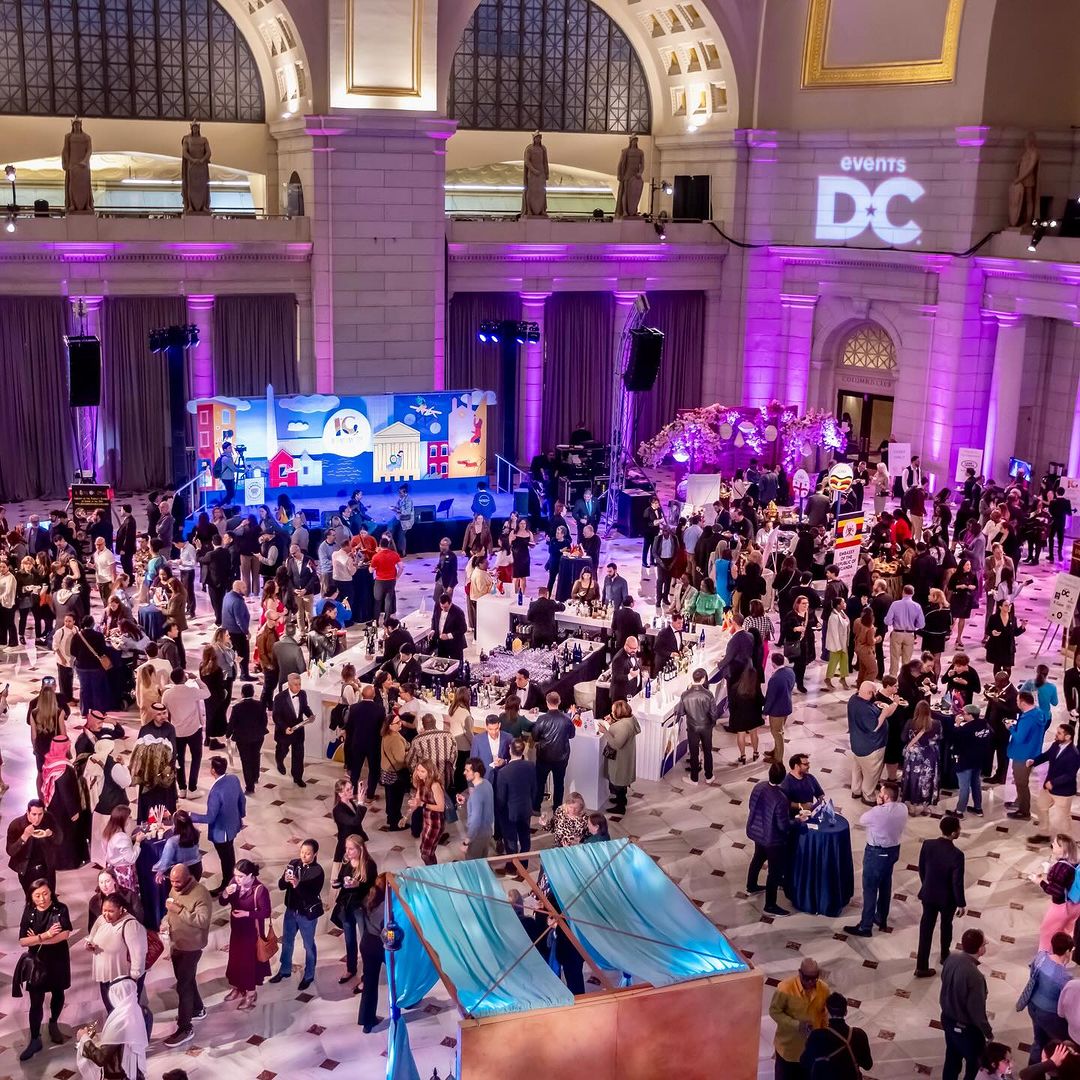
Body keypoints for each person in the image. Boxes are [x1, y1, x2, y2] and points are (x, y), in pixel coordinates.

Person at [16, 878, 72, 1060]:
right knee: (36, 1001)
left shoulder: (60, 909)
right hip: (37, 963)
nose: (42, 898)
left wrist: (37, 938)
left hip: (58, 960)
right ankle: (34, 1039)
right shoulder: (29, 912)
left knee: (58, 993)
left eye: (45, 893)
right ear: (31, 897)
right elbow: (23, 941)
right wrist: (46, 935)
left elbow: (64, 935)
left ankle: (53, 1023)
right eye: (37, 895)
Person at [160, 863, 211, 1047]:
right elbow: (170, 911)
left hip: (192, 947)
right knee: (187, 980)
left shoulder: (200, 894)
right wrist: (166, 921)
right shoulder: (175, 888)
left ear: (187, 877)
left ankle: (185, 1027)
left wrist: (179, 911)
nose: (173, 885)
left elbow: (203, 921)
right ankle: (197, 1009)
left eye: (177, 881)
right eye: (171, 881)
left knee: (183, 986)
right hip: (177, 944)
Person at [915, 814, 967, 977]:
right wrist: (961, 903)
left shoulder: (928, 845)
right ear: (953, 833)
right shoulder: (957, 855)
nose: (959, 831)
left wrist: (926, 885)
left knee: (925, 930)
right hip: (947, 899)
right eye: (958, 829)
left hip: (929, 894)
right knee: (946, 926)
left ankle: (921, 966)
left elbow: (922, 869)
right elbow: (956, 882)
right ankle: (945, 955)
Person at [218, 858, 272, 1010]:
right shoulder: (234, 883)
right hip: (237, 930)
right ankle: (238, 987)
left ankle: (250, 992)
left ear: (250, 875)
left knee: (249, 963)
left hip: (252, 933)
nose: (237, 879)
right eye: (236, 875)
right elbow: (222, 902)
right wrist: (225, 894)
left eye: (241, 876)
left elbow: (266, 912)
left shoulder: (260, 890)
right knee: (235, 960)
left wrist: (246, 914)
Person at [939, 928, 992, 1080]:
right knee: (975, 1064)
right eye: (984, 944)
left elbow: (944, 980)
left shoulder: (951, 958)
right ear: (980, 949)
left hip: (947, 1019)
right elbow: (977, 1011)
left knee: (952, 1057)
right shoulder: (975, 976)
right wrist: (988, 1033)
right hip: (966, 1028)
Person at [190, 756, 245, 894]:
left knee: (225, 858)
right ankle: (232, 878)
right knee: (230, 853)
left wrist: (191, 816)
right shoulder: (233, 779)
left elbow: (210, 818)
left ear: (213, 770)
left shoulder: (216, 792)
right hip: (233, 825)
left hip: (222, 832)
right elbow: (242, 799)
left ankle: (227, 883)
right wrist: (241, 816)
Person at [75, 976, 148, 1080]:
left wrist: (84, 1038)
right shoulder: (135, 1011)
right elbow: (122, 1042)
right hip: (135, 1074)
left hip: (120, 1075)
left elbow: (100, 1058)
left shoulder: (120, 1021)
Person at [84, 890, 146, 1009]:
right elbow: (91, 937)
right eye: (104, 910)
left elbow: (138, 952)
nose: (106, 914)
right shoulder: (101, 919)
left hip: (121, 978)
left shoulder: (130, 924)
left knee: (122, 1010)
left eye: (111, 911)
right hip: (104, 976)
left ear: (121, 909)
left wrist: (134, 977)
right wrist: (89, 945)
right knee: (110, 1009)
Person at [768, 958, 829, 1079]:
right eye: (807, 978)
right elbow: (774, 1011)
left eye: (814, 978)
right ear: (800, 973)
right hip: (789, 1049)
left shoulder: (824, 989)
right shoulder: (785, 988)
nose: (811, 982)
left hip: (811, 1049)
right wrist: (796, 1024)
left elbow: (824, 1014)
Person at [746, 761, 792, 917]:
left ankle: (751, 885)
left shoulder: (758, 786)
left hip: (756, 831)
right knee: (774, 872)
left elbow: (751, 805)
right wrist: (796, 822)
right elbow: (782, 826)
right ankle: (770, 905)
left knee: (758, 858)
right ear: (783, 777)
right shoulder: (781, 798)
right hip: (772, 840)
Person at [331, 835, 378, 988]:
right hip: (346, 906)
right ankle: (351, 968)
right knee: (349, 940)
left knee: (365, 942)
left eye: (351, 848)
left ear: (360, 848)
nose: (348, 851)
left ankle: (367, 974)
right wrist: (337, 883)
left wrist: (358, 885)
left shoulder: (369, 865)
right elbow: (341, 880)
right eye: (347, 848)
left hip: (360, 907)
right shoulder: (346, 863)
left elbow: (373, 887)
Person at [1023, 932, 1074, 1064]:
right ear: (1068, 952)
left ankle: (1033, 1071)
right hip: (1050, 1015)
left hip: (1032, 1006)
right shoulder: (1064, 978)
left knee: (1039, 1041)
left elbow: (1032, 977)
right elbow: (1065, 1004)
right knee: (1062, 1043)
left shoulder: (1040, 956)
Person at [799, 991, 873, 1080]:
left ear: (827, 1012)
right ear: (846, 1012)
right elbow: (868, 1065)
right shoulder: (859, 1034)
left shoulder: (817, 1036)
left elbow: (804, 1062)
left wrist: (810, 1040)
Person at [161, 667, 209, 797]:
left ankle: (182, 788)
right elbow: (207, 693)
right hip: (194, 729)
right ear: (184, 677)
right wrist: (197, 679)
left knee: (179, 759)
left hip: (177, 731)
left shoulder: (167, 694)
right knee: (196, 757)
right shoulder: (191, 691)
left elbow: (164, 710)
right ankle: (192, 788)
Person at [1029, 723, 1080, 844]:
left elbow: (1070, 775)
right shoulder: (1055, 745)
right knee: (1041, 807)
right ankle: (1044, 834)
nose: (1056, 735)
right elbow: (1047, 755)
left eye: (1059, 733)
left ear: (1068, 737)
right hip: (1048, 787)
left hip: (1063, 791)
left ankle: (1065, 843)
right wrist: (1034, 761)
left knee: (1063, 817)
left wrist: (1053, 782)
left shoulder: (1074, 754)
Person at [848, 681, 897, 804]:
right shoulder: (864, 710)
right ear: (870, 692)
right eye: (874, 693)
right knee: (871, 774)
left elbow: (868, 706)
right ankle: (868, 796)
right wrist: (884, 714)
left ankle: (856, 790)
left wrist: (875, 703)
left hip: (857, 744)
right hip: (871, 747)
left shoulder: (854, 699)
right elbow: (874, 727)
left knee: (857, 770)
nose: (875, 694)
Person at [530, 691, 576, 813]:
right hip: (561, 757)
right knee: (559, 783)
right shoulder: (566, 720)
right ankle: (557, 807)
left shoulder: (542, 719)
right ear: (559, 702)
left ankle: (536, 807)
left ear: (547, 702)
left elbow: (535, 736)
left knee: (540, 782)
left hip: (544, 756)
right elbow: (572, 735)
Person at [1009, 691, 1049, 822]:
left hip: (1023, 755)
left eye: (1017, 701)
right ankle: (1019, 802)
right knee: (1022, 780)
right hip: (1033, 752)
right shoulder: (1038, 713)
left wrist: (1011, 728)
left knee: (1021, 783)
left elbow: (1020, 738)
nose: (1016, 703)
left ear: (1023, 703)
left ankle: (1024, 811)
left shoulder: (1028, 718)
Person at [676, 668, 719, 785]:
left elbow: (681, 712)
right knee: (707, 751)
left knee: (694, 753)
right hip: (706, 727)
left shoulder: (685, 695)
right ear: (703, 679)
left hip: (692, 727)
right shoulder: (708, 694)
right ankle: (709, 776)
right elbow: (714, 714)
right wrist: (712, 724)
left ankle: (694, 778)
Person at [495, 739, 536, 857]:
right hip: (526, 809)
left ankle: (512, 868)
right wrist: (530, 804)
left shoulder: (503, 772)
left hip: (509, 813)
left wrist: (499, 813)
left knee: (511, 841)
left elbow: (501, 798)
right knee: (525, 838)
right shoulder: (531, 766)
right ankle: (523, 866)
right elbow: (535, 788)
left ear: (510, 750)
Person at [226, 682, 268, 794]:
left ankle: (250, 786)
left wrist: (228, 734)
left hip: (242, 738)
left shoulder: (237, 707)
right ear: (253, 693)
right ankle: (255, 777)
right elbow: (264, 721)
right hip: (258, 736)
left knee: (246, 761)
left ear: (242, 694)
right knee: (255, 755)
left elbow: (232, 723)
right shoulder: (260, 705)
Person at [599, 699, 639, 815]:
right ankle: (621, 799)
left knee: (619, 781)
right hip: (626, 755)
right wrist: (612, 722)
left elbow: (616, 744)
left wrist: (605, 731)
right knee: (622, 779)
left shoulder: (623, 726)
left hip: (620, 758)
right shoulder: (630, 720)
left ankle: (620, 807)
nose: (611, 713)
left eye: (613, 711)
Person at [902, 700, 942, 812]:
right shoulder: (937, 723)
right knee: (927, 779)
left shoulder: (910, 723)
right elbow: (940, 737)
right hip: (930, 755)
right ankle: (925, 806)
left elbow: (903, 738)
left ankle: (912, 805)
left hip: (914, 756)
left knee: (912, 779)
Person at [272, 672, 311, 787]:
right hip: (285, 731)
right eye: (295, 684)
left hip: (298, 730)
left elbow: (305, 707)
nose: (298, 687)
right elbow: (276, 716)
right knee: (282, 750)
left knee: (299, 755)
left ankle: (297, 777)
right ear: (289, 685)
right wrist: (284, 728)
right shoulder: (279, 698)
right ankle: (279, 761)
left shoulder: (303, 694)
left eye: (299, 684)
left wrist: (310, 715)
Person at [953, 705, 991, 818]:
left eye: (964, 713)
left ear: (970, 715)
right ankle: (978, 808)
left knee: (964, 787)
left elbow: (955, 740)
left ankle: (959, 811)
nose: (962, 715)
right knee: (976, 784)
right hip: (979, 760)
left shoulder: (966, 728)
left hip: (965, 761)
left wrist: (957, 724)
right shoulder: (985, 725)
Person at [408, 761, 446, 866]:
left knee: (426, 853)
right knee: (426, 851)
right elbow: (417, 800)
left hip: (436, 824)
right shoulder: (421, 783)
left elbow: (441, 807)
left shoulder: (435, 785)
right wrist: (413, 806)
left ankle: (433, 871)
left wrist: (423, 804)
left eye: (422, 771)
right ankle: (433, 869)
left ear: (430, 772)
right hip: (427, 822)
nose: (419, 773)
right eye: (418, 770)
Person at [762, 653, 797, 764]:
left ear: (773, 663)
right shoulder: (790, 671)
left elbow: (771, 698)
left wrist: (765, 712)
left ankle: (778, 758)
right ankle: (776, 751)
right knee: (779, 731)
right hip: (786, 706)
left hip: (777, 711)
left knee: (777, 733)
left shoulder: (775, 679)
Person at [885, 584, 925, 676]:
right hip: (910, 634)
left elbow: (887, 621)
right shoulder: (917, 606)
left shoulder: (895, 604)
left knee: (894, 658)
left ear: (903, 592)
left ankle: (893, 678)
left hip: (897, 633)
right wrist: (914, 627)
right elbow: (922, 624)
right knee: (907, 660)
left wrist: (892, 622)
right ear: (913, 593)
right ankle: (904, 678)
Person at [459, 758, 495, 860]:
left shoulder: (476, 795)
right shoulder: (487, 784)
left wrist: (466, 841)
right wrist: (465, 796)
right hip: (487, 832)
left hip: (477, 836)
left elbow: (475, 821)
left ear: (476, 773)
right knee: (482, 862)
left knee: (472, 866)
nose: (464, 773)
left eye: (467, 770)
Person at [380, 715, 410, 830]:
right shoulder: (395, 738)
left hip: (386, 771)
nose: (400, 724)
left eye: (400, 721)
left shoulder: (387, 735)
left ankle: (391, 817)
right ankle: (395, 822)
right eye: (397, 723)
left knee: (390, 796)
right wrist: (408, 754)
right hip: (395, 773)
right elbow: (400, 759)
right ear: (390, 726)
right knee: (396, 798)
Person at [222, 581, 251, 680]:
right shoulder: (237, 601)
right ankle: (244, 675)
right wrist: (246, 632)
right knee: (243, 654)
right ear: (238, 589)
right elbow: (239, 620)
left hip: (228, 631)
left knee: (230, 654)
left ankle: (229, 675)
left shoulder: (227, 596)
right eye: (244, 587)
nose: (246, 589)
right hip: (238, 632)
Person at [370, 536, 403, 622]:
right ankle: (387, 621)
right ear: (388, 545)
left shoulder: (376, 556)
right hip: (391, 580)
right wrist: (397, 577)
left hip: (380, 581)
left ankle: (375, 621)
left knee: (377, 601)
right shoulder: (394, 554)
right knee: (388, 601)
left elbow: (371, 571)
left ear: (380, 545)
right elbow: (401, 567)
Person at [431, 591, 468, 662]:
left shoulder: (458, 612)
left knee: (457, 666)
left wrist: (448, 636)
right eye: (442, 607)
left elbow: (463, 629)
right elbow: (434, 619)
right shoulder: (438, 607)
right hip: (441, 644)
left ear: (450, 603)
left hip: (454, 644)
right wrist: (433, 630)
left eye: (445, 607)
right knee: (441, 664)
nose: (443, 609)